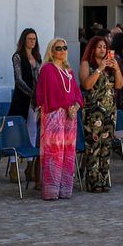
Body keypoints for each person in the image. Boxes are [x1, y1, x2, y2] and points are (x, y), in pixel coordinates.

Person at [35, 38, 83, 199]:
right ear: (52, 51)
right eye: (58, 48)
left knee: (68, 151)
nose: (62, 51)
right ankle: (51, 190)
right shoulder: (48, 69)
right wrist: (68, 107)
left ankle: (65, 189)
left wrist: (75, 107)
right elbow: (53, 92)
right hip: (54, 114)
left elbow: (76, 91)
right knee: (54, 151)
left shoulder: (68, 70)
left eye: (65, 48)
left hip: (70, 115)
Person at [79, 35, 122, 191]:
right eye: (99, 47)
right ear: (92, 48)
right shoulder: (86, 64)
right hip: (93, 112)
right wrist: (100, 69)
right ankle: (93, 181)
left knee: (106, 147)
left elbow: (119, 85)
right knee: (93, 146)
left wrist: (117, 69)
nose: (102, 49)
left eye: (105, 47)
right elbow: (86, 85)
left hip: (110, 111)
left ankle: (104, 180)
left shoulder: (110, 66)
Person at [9, 27, 40, 124]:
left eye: (34, 39)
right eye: (30, 39)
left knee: (34, 127)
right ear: (24, 40)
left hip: (37, 98)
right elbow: (18, 80)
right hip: (22, 97)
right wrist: (32, 94)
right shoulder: (17, 56)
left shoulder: (37, 57)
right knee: (20, 125)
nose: (32, 41)